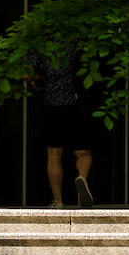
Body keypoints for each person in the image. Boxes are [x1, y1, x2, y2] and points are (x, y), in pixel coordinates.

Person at [37, 45, 94, 208]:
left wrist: (36, 79)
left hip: (52, 105)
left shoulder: (41, 42)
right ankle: (82, 177)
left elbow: (27, 75)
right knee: (83, 152)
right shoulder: (75, 41)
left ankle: (58, 201)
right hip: (77, 104)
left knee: (54, 154)